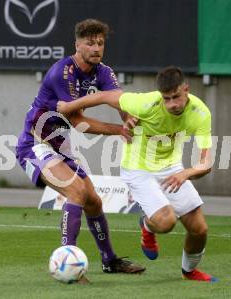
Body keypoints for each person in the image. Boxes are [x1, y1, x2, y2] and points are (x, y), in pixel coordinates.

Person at [57, 66, 219, 282]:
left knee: (199, 230)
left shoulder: (200, 113)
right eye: (167, 99)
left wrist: (185, 174)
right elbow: (106, 96)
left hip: (172, 168)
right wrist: (69, 106)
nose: (172, 104)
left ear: (186, 89)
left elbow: (206, 163)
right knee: (165, 222)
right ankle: (147, 225)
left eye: (176, 97)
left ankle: (189, 271)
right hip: (138, 169)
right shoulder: (146, 103)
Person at [15, 19, 145, 281]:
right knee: (75, 191)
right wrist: (119, 130)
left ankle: (109, 261)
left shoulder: (104, 72)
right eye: (90, 42)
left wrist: (127, 118)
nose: (96, 48)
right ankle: (67, 262)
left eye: (100, 43)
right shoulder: (63, 72)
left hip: (60, 148)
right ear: (77, 45)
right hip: (35, 145)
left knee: (94, 201)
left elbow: (118, 100)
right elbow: (79, 123)